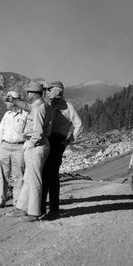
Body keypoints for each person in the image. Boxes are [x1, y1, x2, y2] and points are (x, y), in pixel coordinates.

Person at [7, 81, 51, 221]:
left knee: (34, 181)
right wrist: (15, 101)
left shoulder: (39, 108)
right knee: (28, 179)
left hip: (36, 146)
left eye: (28, 92)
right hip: (36, 145)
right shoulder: (38, 106)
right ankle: (22, 208)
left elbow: (37, 132)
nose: (27, 94)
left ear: (34, 93)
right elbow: (26, 106)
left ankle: (34, 212)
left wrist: (30, 144)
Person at [41, 81, 83, 217]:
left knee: (52, 175)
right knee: (43, 174)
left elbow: (79, 125)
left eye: (50, 90)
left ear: (57, 91)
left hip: (58, 141)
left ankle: (53, 209)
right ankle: (40, 207)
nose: (47, 92)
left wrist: (68, 141)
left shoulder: (68, 107)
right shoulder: (47, 105)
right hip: (46, 140)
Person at [0, 91, 29, 208]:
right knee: (3, 175)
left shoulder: (25, 115)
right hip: (5, 146)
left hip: (19, 147)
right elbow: (1, 130)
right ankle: (0, 200)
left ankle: (17, 202)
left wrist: (24, 146)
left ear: (14, 102)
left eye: (8, 101)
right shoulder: (6, 114)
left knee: (19, 176)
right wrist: (1, 144)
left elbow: (29, 132)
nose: (5, 103)